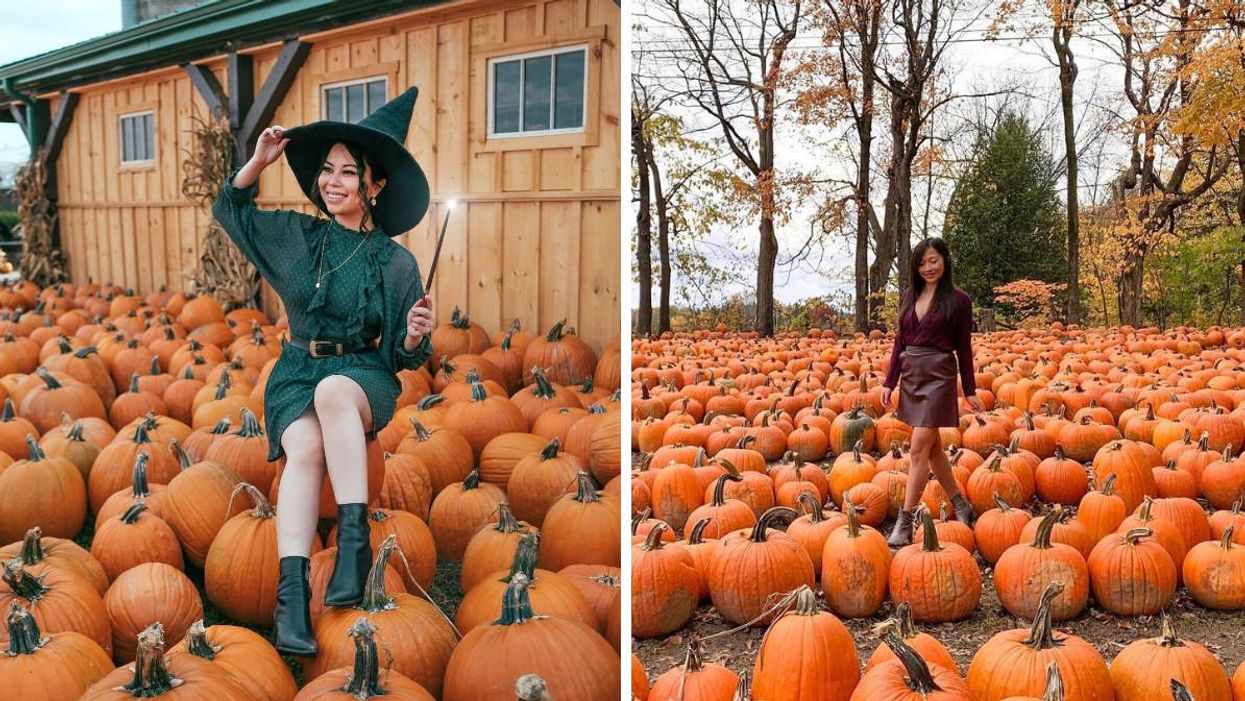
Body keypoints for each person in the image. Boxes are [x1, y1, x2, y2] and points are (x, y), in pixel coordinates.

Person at [211, 87, 436, 655]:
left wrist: (413, 336)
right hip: (294, 374)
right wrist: (258, 162)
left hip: (364, 377)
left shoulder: (396, 262)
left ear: (375, 186)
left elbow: (406, 358)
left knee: (336, 390)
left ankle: (354, 547)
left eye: (349, 173)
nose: (334, 182)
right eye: (327, 171)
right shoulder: (296, 236)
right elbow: (228, 210)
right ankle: (292, 602)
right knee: (305, 447)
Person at [879, 237, 983, 547]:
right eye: (922, 262)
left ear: (945, 261)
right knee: (932, 449)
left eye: (934, 260)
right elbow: (900, 342)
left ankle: (905, 520)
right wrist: (889, 381)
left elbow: (964, 347)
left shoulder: (959, 301)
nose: (928, 267)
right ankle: (961, 504)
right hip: (912, 373)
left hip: (939, 375)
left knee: (917, 448)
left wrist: (969, 388)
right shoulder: (908, 296)